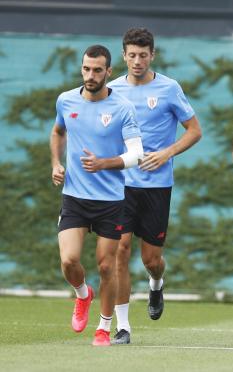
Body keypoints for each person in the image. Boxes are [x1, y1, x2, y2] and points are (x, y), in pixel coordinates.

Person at [108, 28, 202, 345]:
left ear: (153, 55)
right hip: (120, 185)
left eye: (143, 55)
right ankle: (122, 327)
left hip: (157, 186)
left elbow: (194, 130)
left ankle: (156, 283)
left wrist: (166, 153)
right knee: (119, 250)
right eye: (131, 55)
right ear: (123, 56)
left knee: (151, 259)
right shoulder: (111, 90)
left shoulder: (169, 89)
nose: (137, 61)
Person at [50, 45, 143, 346]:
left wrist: (105, 163)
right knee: (69, 260)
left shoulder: (122, 107)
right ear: (82, 69)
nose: (91, 75)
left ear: (108, 72)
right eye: (87, 69)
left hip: (111, 200)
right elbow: (58, 132)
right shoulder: (66, 100)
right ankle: (82, 295)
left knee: (106, 266)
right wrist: (56, 163)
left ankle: (104, 327)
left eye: (97, 70)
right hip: (75, 197)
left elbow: (136, 154)